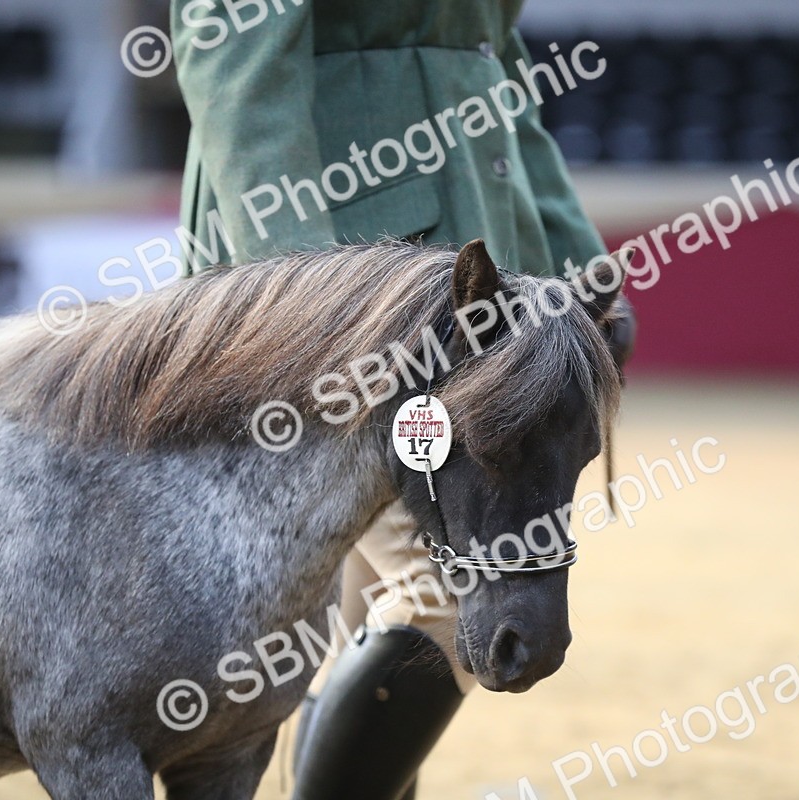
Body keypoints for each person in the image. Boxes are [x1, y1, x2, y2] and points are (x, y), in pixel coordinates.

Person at [171, 3, 612, 798]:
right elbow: (235, 60)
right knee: (442, 592)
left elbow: (492, 58)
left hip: (480, 284)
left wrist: (575, 259)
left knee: (365, 611)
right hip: (348, 293)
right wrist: (310, 297)